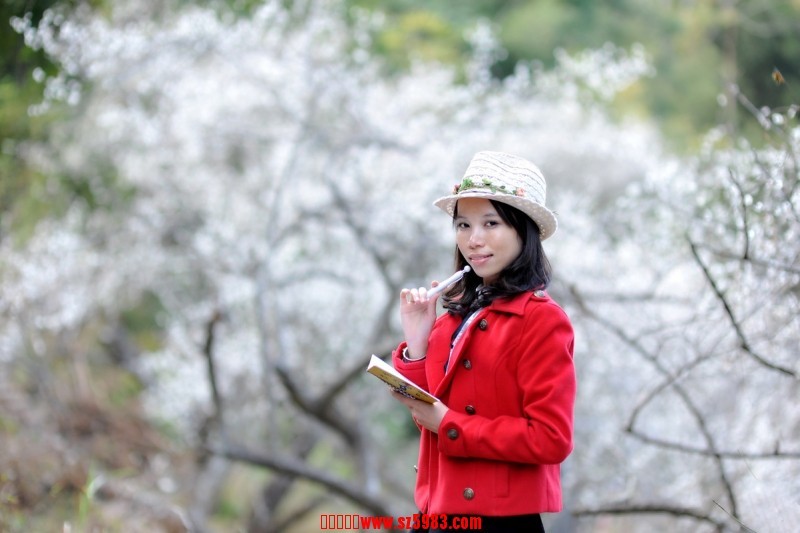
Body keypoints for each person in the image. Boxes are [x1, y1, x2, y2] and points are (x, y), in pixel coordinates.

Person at [391, 151, 576, 533]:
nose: (473, 240)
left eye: (491, 223)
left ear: (523, 230)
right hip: (435, 516)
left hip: (501, 522)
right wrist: (418, 343)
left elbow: (551, 438)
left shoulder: (540, 319)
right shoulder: (453, 318)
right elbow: (430, 420)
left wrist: (451, 424)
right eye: (463, 225)